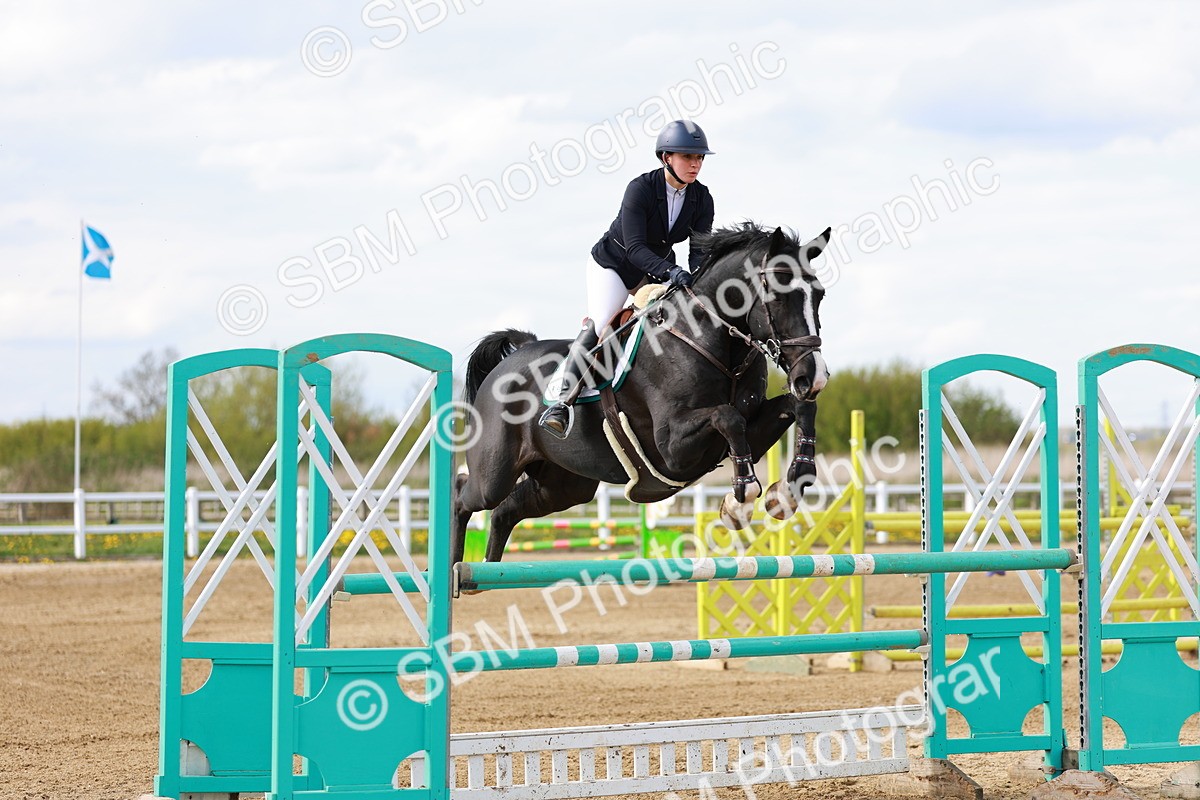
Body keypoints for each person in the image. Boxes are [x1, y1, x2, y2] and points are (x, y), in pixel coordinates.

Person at [538, 120, 716, 439]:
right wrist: (672, 273)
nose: (695, 164)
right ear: (666, 158)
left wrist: (697, 283)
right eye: (688, 157)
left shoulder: (702, 199)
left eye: (700, 158)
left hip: (657, 267)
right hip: (615, 265)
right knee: (602, 323)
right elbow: (635, 249)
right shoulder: (641, 189)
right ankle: (561, 403)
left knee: (678, 321)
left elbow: (698, 252)